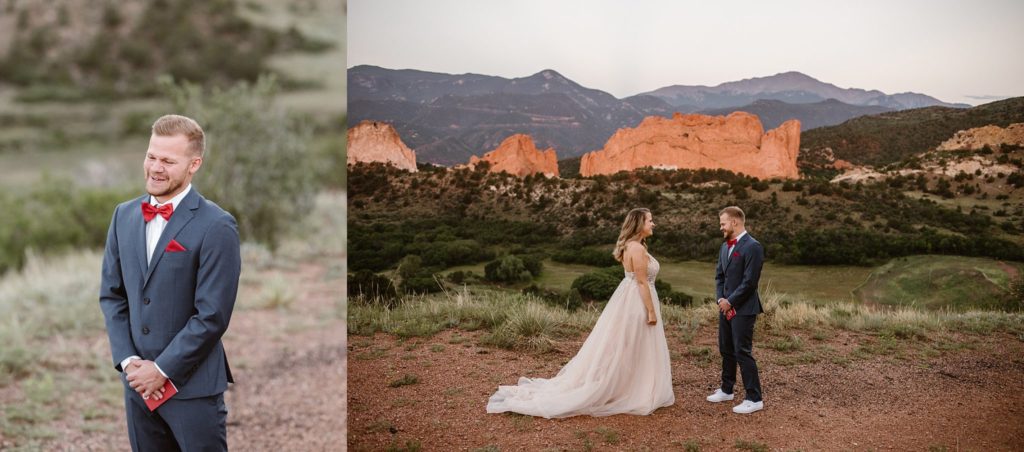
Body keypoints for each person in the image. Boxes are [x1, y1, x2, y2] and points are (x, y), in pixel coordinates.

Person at [99, 114, 241, 450]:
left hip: (191, 388)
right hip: (136, 385)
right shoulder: (123, 215)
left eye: (168, 160)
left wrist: (161, 369)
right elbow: (112, 296)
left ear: (194, 164)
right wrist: (129, 362)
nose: (156, 168)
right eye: (151, 156)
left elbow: (212, 315)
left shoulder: (217, 225)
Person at [486, 208, 674, 418]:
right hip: (637, 300)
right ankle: (630, 388)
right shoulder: (637, 249)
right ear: (639, 224)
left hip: (628, 298)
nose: (653, 223)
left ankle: (629, 384)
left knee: (628, 343)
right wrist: (650, 311)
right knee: (635, 342)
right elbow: (641, 282)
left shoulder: (632, 246)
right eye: (650, 220)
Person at [706, 206, 765, 414]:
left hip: (744, 308)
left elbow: (750, 282)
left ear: (735, 222)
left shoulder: (753, 247)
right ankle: (726, 389)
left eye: (723, 223)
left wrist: (730, 301)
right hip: (725, 306)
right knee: (726, 348)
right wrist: (721, 299)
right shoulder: (724, 247)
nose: (720, 227)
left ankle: (754, 398)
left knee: (742, 351)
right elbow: (719, 276)